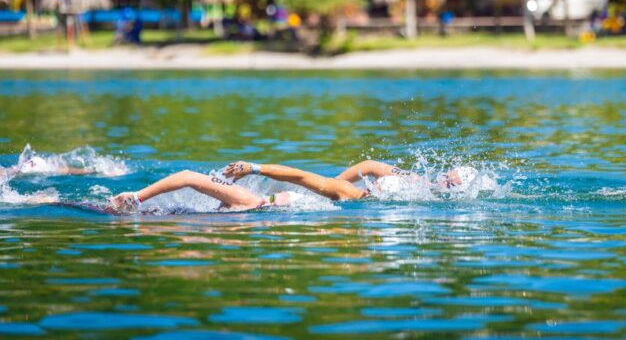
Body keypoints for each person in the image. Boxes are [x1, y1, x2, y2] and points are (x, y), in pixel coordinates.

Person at [109, 160, 479, 213]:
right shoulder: (355, 194)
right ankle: (134, 201)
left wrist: (254, 166)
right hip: (260, 208)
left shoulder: (354, 194)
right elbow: (369, 167)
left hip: (259, 208)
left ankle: (133, 201)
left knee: (173, 211)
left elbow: (305, 179)